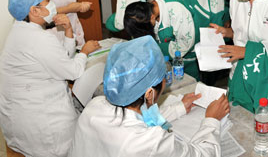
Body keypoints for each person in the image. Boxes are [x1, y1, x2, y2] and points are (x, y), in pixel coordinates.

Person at [69, 35, 230, 157]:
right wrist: (211, 120)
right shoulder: (148, 141)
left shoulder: (94, 105)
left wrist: (179, 108)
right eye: (163, 79)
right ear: (149, 94)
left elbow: (137, 119)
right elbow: (201, 154)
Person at [0, 0, 100, 157]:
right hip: (44, 128)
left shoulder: (18, 33)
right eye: (47, 1)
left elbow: (59, 61)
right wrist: (84, 52)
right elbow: (73, 71)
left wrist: (68, 30)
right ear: (34, 10)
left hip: (18, 123)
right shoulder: (38, 39)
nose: (53, 4)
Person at [124, 0, 200, 80]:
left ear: (152, 18)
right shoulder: (145, 10)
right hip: (166, 61)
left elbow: (185, 44)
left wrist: (153, 49)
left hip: (185, 61)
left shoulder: (177, 11)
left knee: (187, 85)